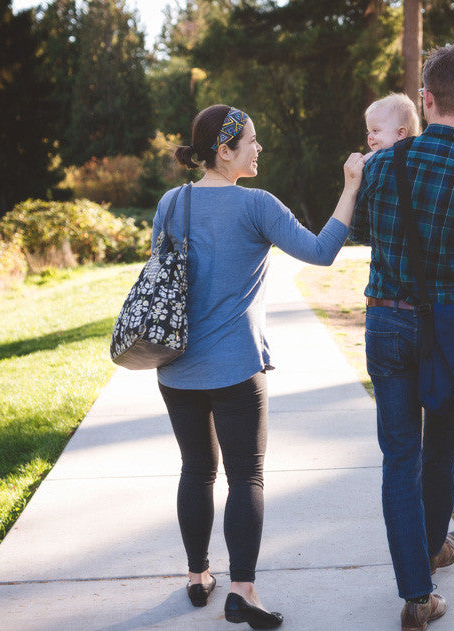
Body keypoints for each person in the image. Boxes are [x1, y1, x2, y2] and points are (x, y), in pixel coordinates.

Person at [154, 104, 363, 629]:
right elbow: (320, 251)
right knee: (245, 474)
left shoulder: (170, 202)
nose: (258, 147)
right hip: (236, 369)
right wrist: (351, 186)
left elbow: (163, 275)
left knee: (196, 470)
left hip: (175, 368)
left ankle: (198, 576)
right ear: (224, 150)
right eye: (250, 139)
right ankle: (242, 591)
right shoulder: (257, 206)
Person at [350, 43, 454, 631]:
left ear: (426, 98)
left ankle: (417, 595)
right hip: (452, 331)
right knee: (440, 452)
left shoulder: (386, 165)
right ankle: (431, 550)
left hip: (388, 321)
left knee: (400, 457)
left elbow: (361, 228)